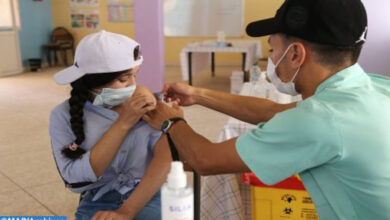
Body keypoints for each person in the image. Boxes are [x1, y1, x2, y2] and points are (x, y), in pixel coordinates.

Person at [143, 0, 390, 219]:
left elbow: (205, 160)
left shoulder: (320, 119)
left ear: (295, 54)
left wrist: (171, 122)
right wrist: (198, 94)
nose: (271, 59)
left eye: (273, 49)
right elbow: (272, 111)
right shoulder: (374, 87)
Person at [49, 30, 171, 220]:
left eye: (135, 76)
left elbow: (167, 157)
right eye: (123, 80)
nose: (133, 85)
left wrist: (126, 211)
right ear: (93, 83)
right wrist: (124, 123)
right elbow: (75, 177)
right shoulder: (63, 116)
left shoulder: (149, 104)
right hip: (99, 199)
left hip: (149, 194)